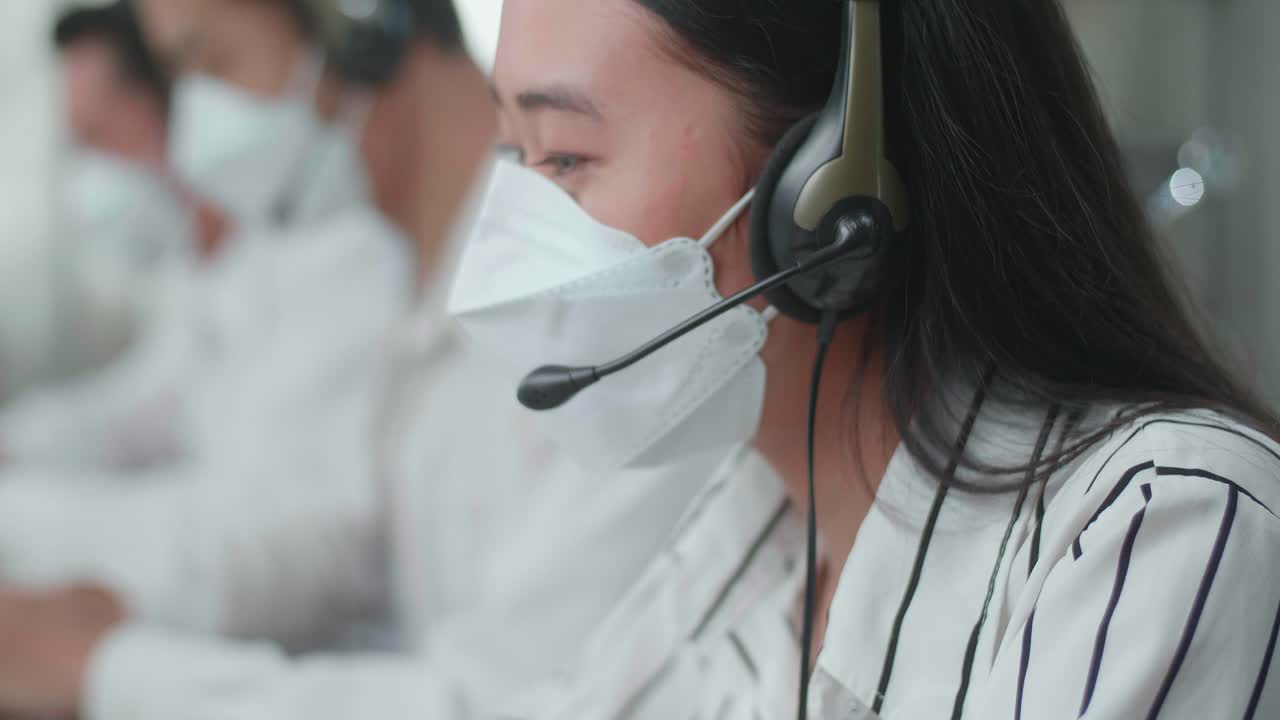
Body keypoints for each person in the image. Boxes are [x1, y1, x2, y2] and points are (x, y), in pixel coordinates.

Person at [450, 0, 1280, 717]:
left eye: (564, 156)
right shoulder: (756, 535)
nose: (515, 231)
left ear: (827, 193)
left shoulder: (1162, 531)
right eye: (513, 156)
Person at [0, 1, 719, 718]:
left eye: (213, 63)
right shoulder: (414, 287)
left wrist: (108, 671)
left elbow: (498, 696)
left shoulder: (603, 309)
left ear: (364, 27)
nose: (195, 133)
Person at [0, 0, 228, 470]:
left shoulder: (278, 253)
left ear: (155, 106)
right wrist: (14, 444)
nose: (90, 169)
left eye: (92, 135)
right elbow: (146, 405)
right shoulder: (191, 268)